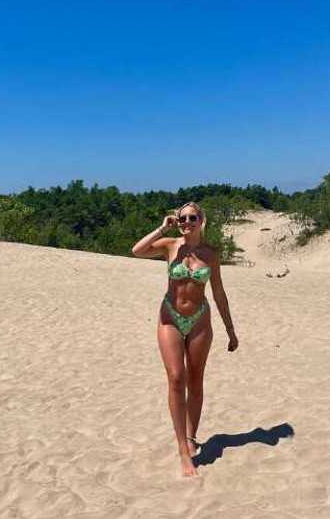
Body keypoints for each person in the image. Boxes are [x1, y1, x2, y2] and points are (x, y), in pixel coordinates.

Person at [132, 202, 239, 477]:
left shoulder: (211, 253)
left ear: (202, 220)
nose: (187, 221)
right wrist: (161, 227)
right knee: (176, 377)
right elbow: (137, 250)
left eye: (192, 217)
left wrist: (230, 329)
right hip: (170, 317)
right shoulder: (170, 245)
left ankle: (191, 437)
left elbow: (219, 292)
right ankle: (182, 450)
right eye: (182, 218)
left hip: (200, 319)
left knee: (196, 379)